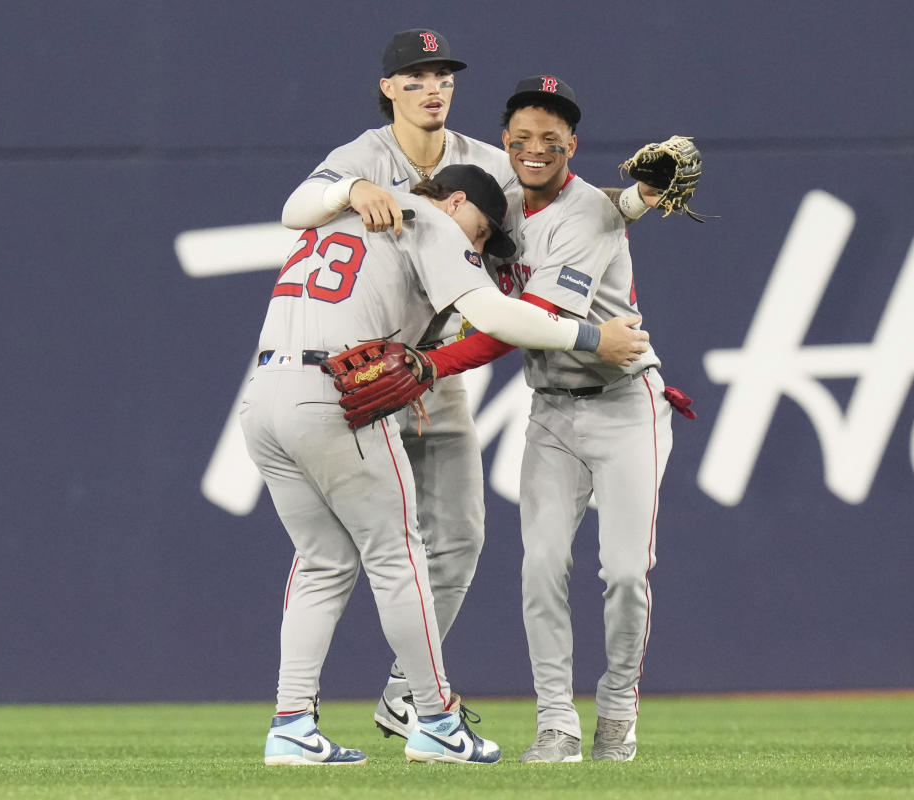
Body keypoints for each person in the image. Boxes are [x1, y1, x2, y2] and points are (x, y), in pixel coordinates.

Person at [280, 27, 660, 740]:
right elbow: (295, 207)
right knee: (356, 552)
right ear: (389, 88)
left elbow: (563, 201)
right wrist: (353, 187)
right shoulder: (361, 157)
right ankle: (367, 713)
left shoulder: (486, 162)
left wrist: (635, 201)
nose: (433, 87)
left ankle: (396, 698)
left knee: (460, 539)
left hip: (435, 364)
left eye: (443, 76)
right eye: (417, 76)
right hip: (369, 372)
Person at [423, 76, 676, 762]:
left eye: (552, 138)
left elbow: (529, 325)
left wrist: (430, 366)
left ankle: (618, 708)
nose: (537, 148)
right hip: (553, 413)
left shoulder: (586, 213)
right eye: (524, 137)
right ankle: (557, 722)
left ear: (573, 145)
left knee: (625, 573)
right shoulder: (499, 197)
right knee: (540, 569)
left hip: (626, 407)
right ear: (506, 141)